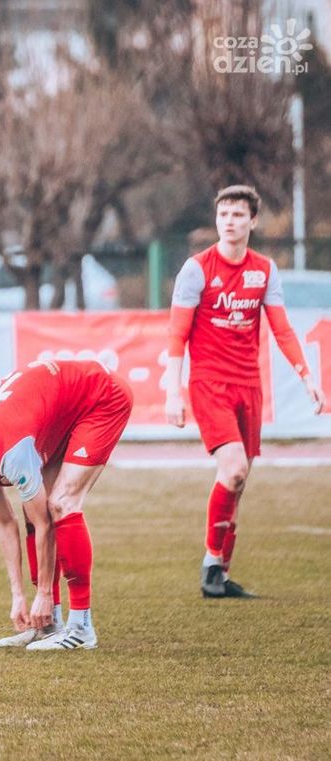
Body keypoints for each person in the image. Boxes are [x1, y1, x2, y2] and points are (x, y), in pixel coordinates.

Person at [165, 185, 325, 599]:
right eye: (223, 215)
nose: (230, 221)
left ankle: (219, 571)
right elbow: (177, 333)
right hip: (209, 384)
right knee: (233, 469)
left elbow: (282, 329)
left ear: (253, 221)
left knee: (239, 480)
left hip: (249, 386)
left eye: (238, 215)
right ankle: (209, 568)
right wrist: (172, 390)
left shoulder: (265, 270)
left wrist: (308, 377)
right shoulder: (196, 269)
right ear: (216, 220)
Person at [0, 359, 134, 652]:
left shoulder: (10, 453)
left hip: (102, 397)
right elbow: (6, 523)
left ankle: (81, 626)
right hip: (64, 410)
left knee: (60, 504)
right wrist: (18, 596)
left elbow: (45, 525)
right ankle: (48, 625)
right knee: (31, 511)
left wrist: (44, 593)